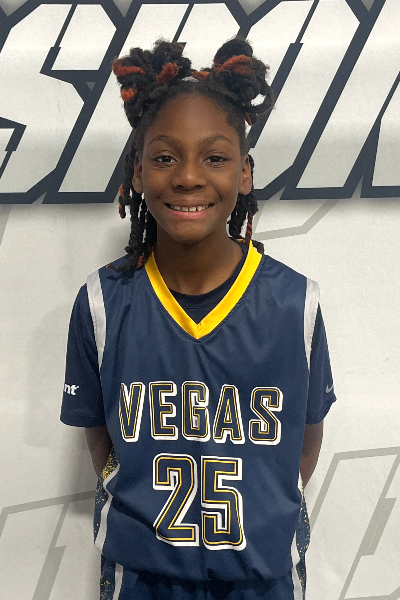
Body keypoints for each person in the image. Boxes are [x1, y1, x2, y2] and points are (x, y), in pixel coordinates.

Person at [60, 38, 336, 600]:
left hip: (263, 576)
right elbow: (101, 442)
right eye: (165, 157)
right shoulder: (101, 303)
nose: (188, 177)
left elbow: (304, 444)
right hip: (143, 575)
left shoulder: (295, 302)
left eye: (214, 157)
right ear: (138, 172)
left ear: (245, 173)